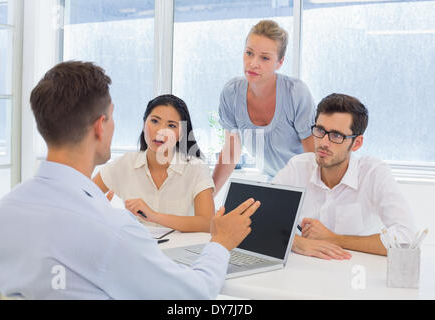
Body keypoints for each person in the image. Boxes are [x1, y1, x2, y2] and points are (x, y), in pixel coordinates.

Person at [0, 61, 260, 299]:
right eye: (113, 116)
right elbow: (194, 294)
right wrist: (221, 243)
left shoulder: (8, 209)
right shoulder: (114, 230)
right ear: (100, 125)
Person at [272, 93, 416, 259]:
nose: (323, 142)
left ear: (357, 143)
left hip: (357, 273)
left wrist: (333, 239)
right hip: (305, 272)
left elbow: (407, 239)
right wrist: (296, 242)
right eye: (320, 130)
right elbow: (258, 217)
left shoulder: (373, 173)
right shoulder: (298, 167)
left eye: (336, 135)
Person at [212, 20, 316, 194]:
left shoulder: (296, 93)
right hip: (275, 183)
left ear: (280, 62)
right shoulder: (231, 93)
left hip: (307, 184)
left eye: (265, 58)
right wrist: (208, 198)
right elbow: (231, 152)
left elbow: (313, 158)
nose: (253, 63)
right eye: (249, 53)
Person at [93, 94, 215, 232]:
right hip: (136, 250)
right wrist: (103, 213)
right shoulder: (125, 163)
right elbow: (81, 196)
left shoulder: (196, 168)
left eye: (171, 125)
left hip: (181, 252)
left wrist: (154, 216)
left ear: (181, 134)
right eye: (155, 121)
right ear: (144, 123)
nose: (160, 131)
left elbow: (207, 223)